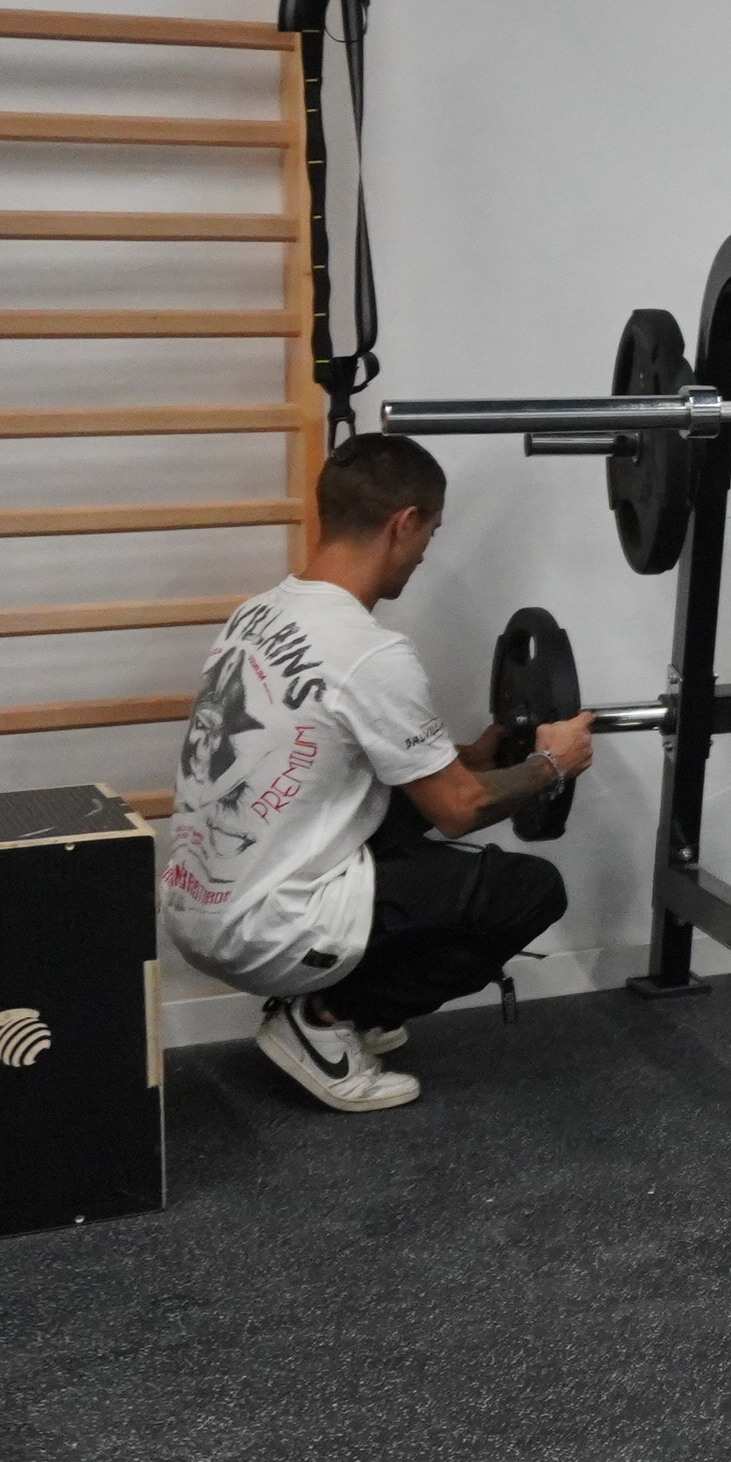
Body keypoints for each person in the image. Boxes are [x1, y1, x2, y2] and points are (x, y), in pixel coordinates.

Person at [160, 433, 593, 1113]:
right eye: (431, 533)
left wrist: (470, 758)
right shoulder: (369, 652)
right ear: (404, 523)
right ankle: (324, 1020)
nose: (424, 554)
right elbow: (459, 810)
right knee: (529, 891)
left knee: (405, 803)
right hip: (262, 930)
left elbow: (338, 758)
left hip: (198, 907)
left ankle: (342, 999)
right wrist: (551, 764)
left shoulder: (260, 612)